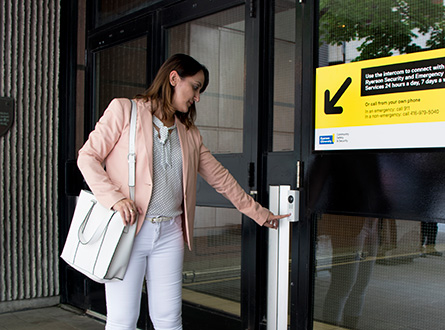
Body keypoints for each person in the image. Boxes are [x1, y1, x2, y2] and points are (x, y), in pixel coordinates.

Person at [77, 53, 289, 330]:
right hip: (128, 232)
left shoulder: (189, 133)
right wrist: (115, 199)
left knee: (169, 320)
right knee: (123, 321)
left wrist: (259, 213)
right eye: (196, 87)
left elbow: (221, 179)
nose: (197, 97)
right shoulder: (124, 111)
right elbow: (88, 156)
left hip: (169, 235)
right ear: (174, 78)